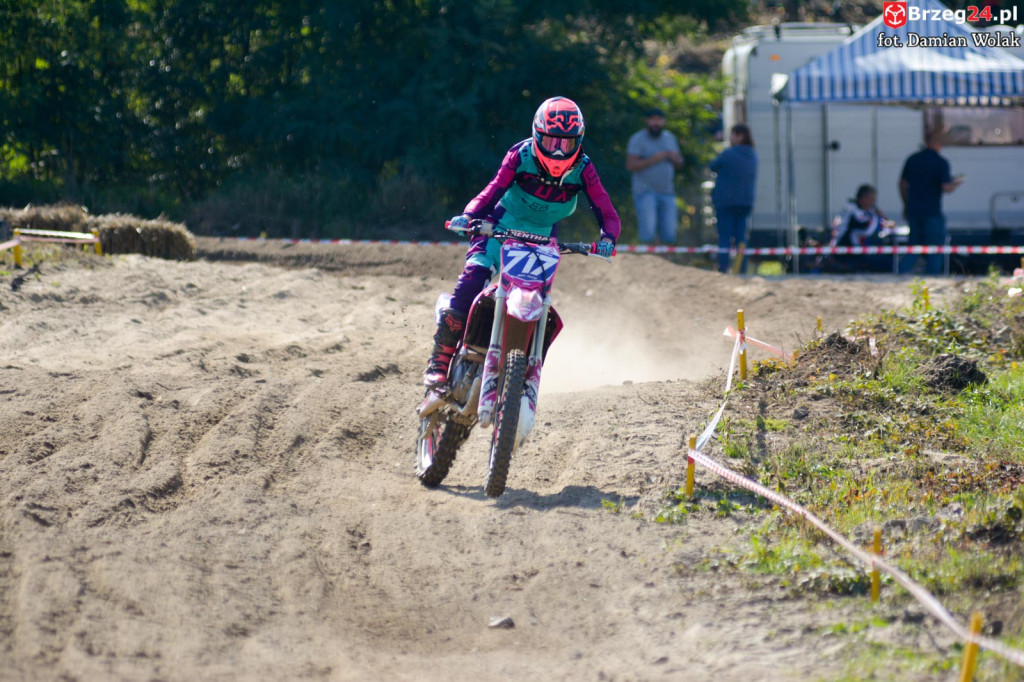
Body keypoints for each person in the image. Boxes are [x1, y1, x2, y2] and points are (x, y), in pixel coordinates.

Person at [423, 96, 620, 386]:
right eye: (551, 141)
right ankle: (439, 360)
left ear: (579, 140)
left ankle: (523, 366)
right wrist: (469, 215)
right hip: (500, 225)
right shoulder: (521, 155)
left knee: (537, 296)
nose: (557, 151)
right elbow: (492, 190)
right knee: (473, 279)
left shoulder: (584, 168)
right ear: (537, 134)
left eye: (566, 143)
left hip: (542, 235)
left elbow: (606, 210)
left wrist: (608, 238)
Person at [898, 129, 964, 275]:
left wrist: (906, 204)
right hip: (932, 213)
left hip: (914, 211)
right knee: (935, 248)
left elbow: (902, 184)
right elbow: (946, 187)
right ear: (939, 144)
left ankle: (901, 274)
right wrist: (956, 183)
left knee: (914, 246)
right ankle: (933, 277)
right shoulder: (941, 162)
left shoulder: (913, 159)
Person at [626, 108, 683, 245]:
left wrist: (673, 157)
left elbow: (680, 163)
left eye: (659, 119)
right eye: (653, 119)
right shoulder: (638, 139)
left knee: (669, 234)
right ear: (647, 121)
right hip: (645, 192)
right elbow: (631, 165)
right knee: (648, 233)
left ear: (663, 121)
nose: (656, 123)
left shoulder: (670, 138)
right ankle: (647, 263)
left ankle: (666, 264)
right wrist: (655, 158)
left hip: (667, 192)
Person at [710, 124, 758, 274]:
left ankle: (723, 269)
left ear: (740, 136)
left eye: (732, 135)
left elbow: (713, 166)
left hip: (725, 202)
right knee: (741, 238)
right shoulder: (753, 155)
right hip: (745, 202)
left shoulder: (729, 154)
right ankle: (741, 270)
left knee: (724, 237)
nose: (730, 138)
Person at [828, 184, 895, 272]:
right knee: (884, 263)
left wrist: (885, 220)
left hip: (862, 249)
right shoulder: (851, 209)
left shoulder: (869, 210)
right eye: (871, 199)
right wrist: (878, 217)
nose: (873, 202)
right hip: (846, 249)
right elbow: (863, 226)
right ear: (863, 198)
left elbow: (887, 224)